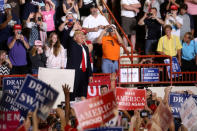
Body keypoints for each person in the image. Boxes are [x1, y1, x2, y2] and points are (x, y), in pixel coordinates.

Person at [66, 30, 92, 100]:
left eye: (82, 35)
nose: (82, 37)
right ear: (74, 38)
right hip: (75, 73)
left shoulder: (85, 48)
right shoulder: (72, 45)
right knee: (73, 92)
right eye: (79, 35)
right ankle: (70, 109)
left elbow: (88, 62)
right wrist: (73, 29)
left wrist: (90, 75)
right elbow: (69, 38)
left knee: (83, 92)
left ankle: (83, 108)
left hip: (84, 72)